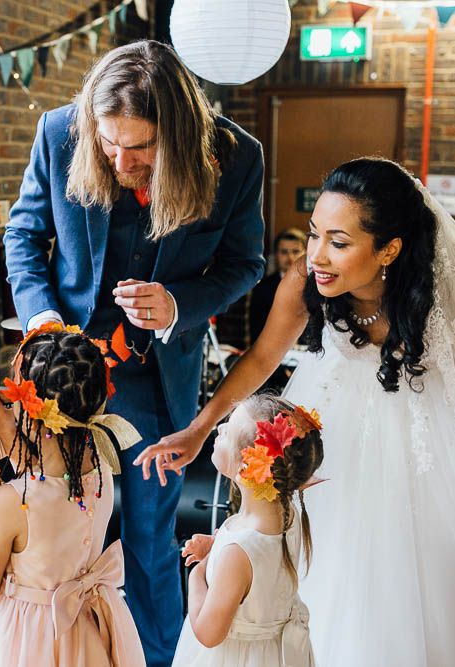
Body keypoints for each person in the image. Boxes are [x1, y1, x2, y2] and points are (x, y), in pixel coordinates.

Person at [3, 40, 265, 666]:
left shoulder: (236, 158)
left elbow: (244, 263)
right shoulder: (60, 131)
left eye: (141, 147)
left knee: (149, 539)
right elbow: (23, 234)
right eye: (108, 142)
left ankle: (156, 659)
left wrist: (179, 304)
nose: (121, 160)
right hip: (60, 373)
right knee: (52, 528)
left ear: (176, 134)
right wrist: (42, 320)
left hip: (154, 377)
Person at [134, 157, 455, 666]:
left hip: (420, 438)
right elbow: (261, 358)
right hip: (332, 432)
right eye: (314, 235)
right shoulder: (306, 282)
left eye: (340, 242)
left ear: (390, 249)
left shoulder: (437, 295)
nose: (318, 256)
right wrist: (199, 430)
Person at [0, 328, 145, 667]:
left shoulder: (8, 502)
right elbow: (53, 490)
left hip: (27, 639)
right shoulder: (97, 468)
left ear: (30, 410)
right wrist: (13, 439)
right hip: (82, 633)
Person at [173, 395, 323, 667]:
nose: (219, 429)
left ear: (246, 467)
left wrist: (198, 574)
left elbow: (208, 633)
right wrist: (216, 545)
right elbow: (263, 564)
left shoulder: (237, 553)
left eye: (227, 430)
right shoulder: (287, 514)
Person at [249, 228, 307, 344]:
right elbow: (257, 331)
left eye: (295, 251)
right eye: (284, 252)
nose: (290, 257)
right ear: (276, 255)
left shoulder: (318, 287)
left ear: (305, 253)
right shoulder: (262, 288)